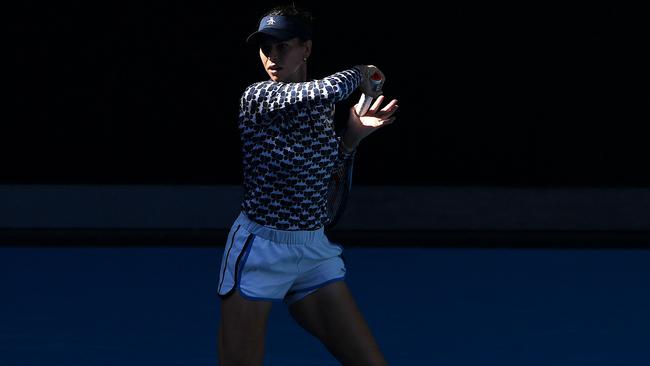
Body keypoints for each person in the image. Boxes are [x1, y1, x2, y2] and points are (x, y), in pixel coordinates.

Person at [217, 4, 398, 365]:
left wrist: (350, 138)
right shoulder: (258, 97)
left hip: (312, 250)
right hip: (260, 251)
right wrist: (363, 72)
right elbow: (325, 90)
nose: (272, 57)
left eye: (282, 46)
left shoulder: (321, 107)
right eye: (265, 48)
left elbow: (324, 185)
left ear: (306, 49)